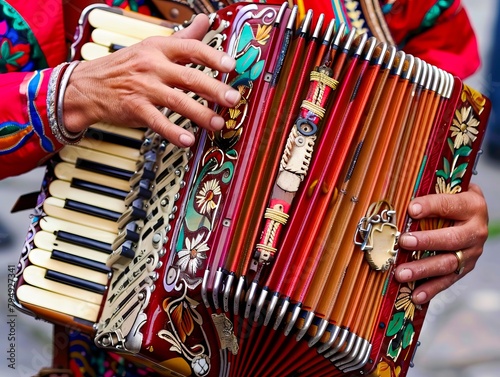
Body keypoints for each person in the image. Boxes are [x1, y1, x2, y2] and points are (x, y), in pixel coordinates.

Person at [0, 0, 489, 375]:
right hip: (119, 344)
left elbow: (442, 119)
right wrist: (74, 92)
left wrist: (450, 215)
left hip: (321, 349)